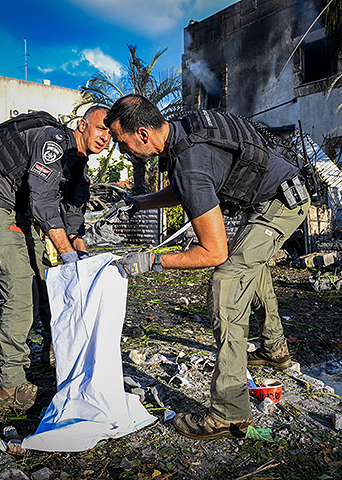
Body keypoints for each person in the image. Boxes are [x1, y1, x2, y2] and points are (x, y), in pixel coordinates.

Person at [105, 94, 311, 440]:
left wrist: (152, 261)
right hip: (273, 196)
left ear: (142, 134)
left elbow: (213, 252)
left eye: (119, 140)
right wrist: (138, 202)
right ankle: (275, 350)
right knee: (249, 265)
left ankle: (229, 414)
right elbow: (188, 189)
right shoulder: (183, 130)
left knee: (228, 280)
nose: (118, 149)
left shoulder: (189, 160)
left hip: (282, 204)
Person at [0, 106, 111, 411]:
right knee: (21, 291)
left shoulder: (79, 165)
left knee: (49, 285)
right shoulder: (53, 141)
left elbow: (73, 214)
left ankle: (54, 352)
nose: (106, 137)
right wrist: (66, 252)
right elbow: (43, 197)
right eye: (101, 128)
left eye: (111, 133)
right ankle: (11, 386)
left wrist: (80, 256)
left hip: (23, 214)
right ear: (83, 125)